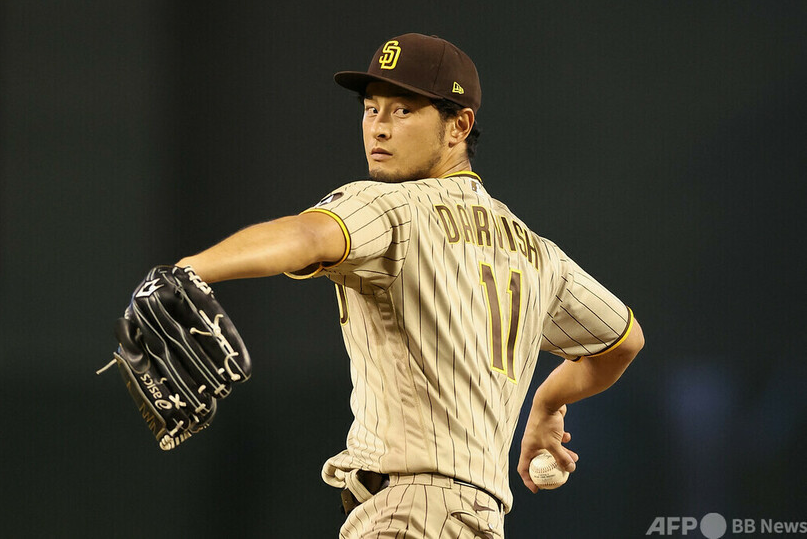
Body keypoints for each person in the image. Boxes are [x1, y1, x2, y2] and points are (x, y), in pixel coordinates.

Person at [176, 33, 644, 539]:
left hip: (409, 515)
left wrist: (189, 270)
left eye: (403, 110)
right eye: (371, 109)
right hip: (477, 519)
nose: (379, 127)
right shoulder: (538, 254)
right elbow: (623, 341)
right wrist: (547, 403)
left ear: (459, 125)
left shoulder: (392, 206)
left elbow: (307, 235)